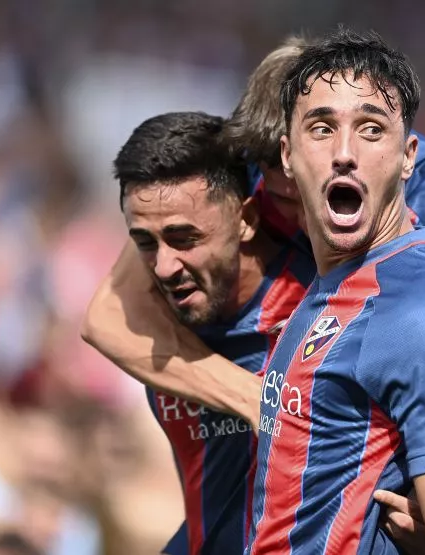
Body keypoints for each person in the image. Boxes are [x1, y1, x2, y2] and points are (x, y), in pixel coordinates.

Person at [225, 35, 425, 555]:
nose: (344, 153)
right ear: (287, 153)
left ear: (408, 157)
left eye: (371, 130)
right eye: (321, 129)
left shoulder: (419, 315)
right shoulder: (331, 285)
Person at [83, 111, 317, 555]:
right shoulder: (152, 322)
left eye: (184, 237)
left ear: (246, 219)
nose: (164, 266)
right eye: (146, 243)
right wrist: (255, 399)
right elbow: (99, 322)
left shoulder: (323, 306)